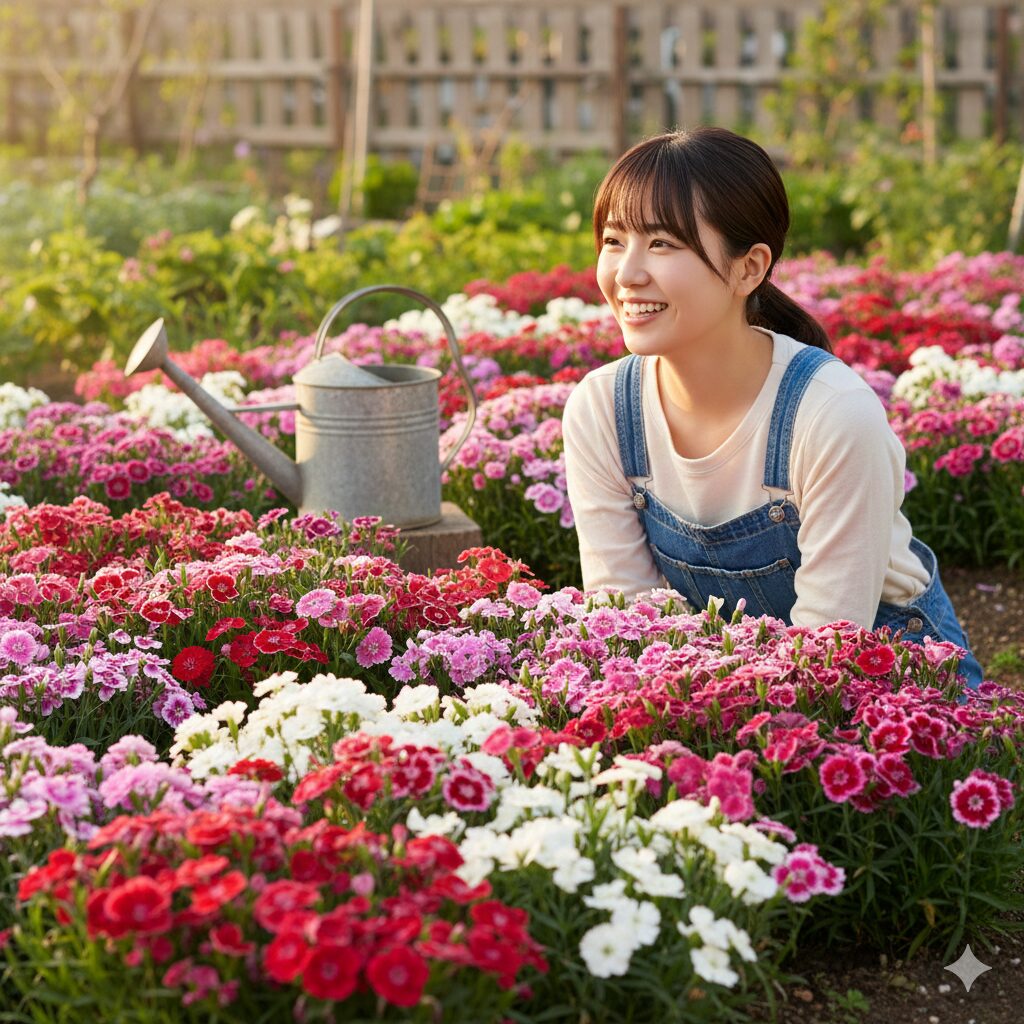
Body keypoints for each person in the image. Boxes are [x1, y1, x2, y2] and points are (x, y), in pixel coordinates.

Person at [561, 126, 983, 689]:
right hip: (724, 690)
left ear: (749, 268)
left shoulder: (832, 413)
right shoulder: (603, 409)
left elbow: (830, 649)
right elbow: (626, 626)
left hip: (884, 679)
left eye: (662, 243)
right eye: (614, 241)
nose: (626, 273)